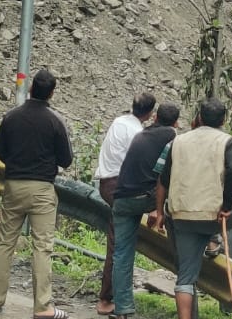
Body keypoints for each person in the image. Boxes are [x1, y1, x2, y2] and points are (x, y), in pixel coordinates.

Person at [149, 98, 232, 319]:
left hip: (181, 215)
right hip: (214, 216)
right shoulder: (226, 142)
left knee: (185, 278)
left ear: (199, 117)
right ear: (223, 120)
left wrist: (160, 213)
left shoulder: (179, 141)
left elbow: (163, 180)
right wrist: (227, 205)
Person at [0, 69, 74, 319]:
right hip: (42, 191)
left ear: (31, 89)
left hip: (13, 186)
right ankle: (42, 307)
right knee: (42, 247)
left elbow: (2, 153)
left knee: (5, 243)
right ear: (52, 93)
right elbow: (66, 160)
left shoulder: (11, 117)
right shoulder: (55, 121)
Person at [109, 102, 179, 319]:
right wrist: (157, 210)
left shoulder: (141, 133)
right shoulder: (172, 136)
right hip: (146, 197)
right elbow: (166, 176)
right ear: (176, 122)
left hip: (121, 198)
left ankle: (123, 309)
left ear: (155, 117)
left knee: (121, 254)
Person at [92, 92, 157, 316]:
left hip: (106, 183)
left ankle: (113, 296)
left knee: (118, 242)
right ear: (149, 114)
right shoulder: (139, 133)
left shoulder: (118, 121)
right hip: (121, 187)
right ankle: (107, 298)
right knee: (118, 244)